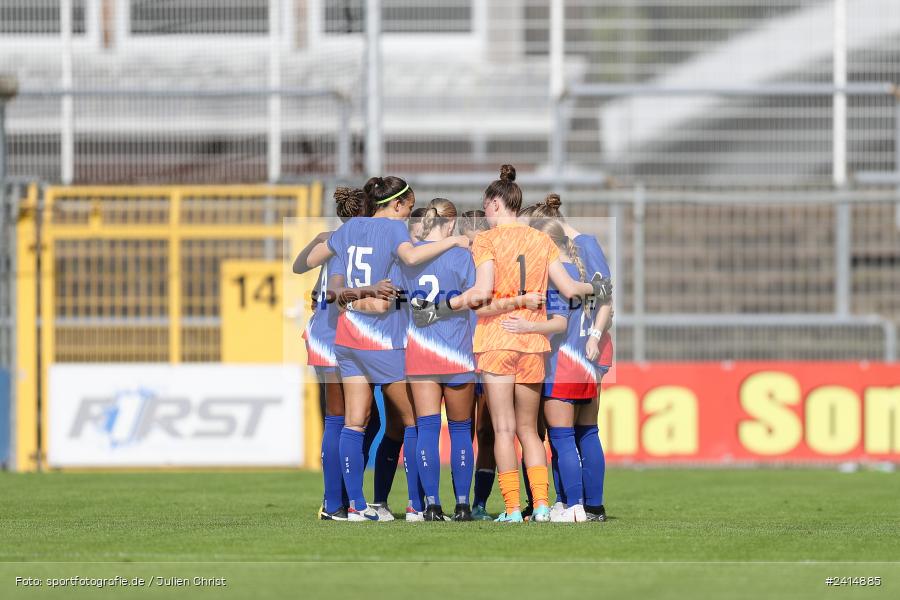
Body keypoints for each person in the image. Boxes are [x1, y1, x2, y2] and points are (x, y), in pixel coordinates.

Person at [412, 165, 608, 522]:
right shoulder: (541, 239)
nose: (485, 213)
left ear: (494, 203)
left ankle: (514, 509)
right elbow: (569, 289)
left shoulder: (487, 241)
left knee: (503, 429)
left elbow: (481, 293)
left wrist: (443, 306)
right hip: (533, 343)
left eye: (486, 206)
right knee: (529, 430)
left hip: (497, 339)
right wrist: (598, 288)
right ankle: (543, 505)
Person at [325, 176, 470, 521]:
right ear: (396, 204)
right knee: (415, 422)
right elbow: (412, 256)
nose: (408, 216)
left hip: (348, 335)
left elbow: (332, 285)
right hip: (382, 339)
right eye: (408, 208)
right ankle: (418, 506)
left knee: (354, 422)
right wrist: (453, 242)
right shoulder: (392, 229)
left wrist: (358, 297)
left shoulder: (348, 229)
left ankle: (356, 506)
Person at [293, 187, 392, 521]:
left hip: (334, 332)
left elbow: (299, 266)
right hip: (333, 333)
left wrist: (324, 237)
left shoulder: (339, 241)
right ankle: (334, 501)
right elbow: (332, 291)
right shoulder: (349, 243)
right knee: (339, 418)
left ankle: (342, 495)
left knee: (364, 419)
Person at [531, 193, 614, 522]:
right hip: (586, 357)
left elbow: (599, 302)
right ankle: (590, 505)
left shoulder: (563, 268)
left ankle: (574, 504)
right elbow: (604, 298)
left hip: (566, 359)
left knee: (562, 436)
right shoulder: (577, 265)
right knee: (587, 432)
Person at [401, 198, 478, 521]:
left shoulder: (410, 258)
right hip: (457, 350)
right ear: (451, 223)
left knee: (427, 430)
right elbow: (475, 297)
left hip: (421, 352)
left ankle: (431, 505)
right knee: (460, 430)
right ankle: (462, 505)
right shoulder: (461, 256)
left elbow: (397, 297)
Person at [459, 210, 495, 520]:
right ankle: (456, 501)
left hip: (488, 353)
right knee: (463, 430)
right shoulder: (453, 263)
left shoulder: (494, 265)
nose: (473, 249)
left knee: (487, 431)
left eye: (477, 243)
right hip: (458, 355)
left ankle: (479, 503)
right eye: (468, 243)